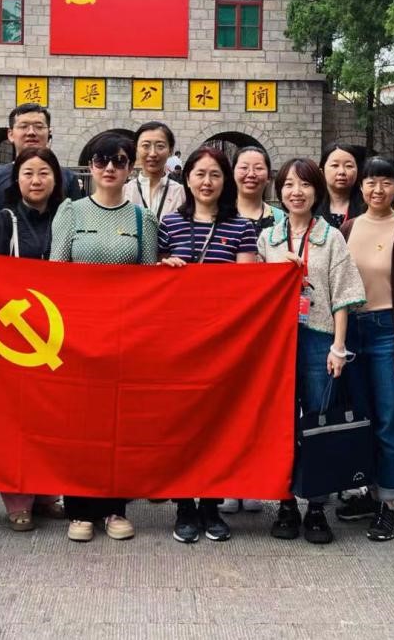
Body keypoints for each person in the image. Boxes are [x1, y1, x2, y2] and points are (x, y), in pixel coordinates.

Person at [51, 133, 158, 542]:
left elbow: (148, 283)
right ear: (90, 167)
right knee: (78, 424)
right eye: (101, 160)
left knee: (119, 423)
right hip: (78, 335)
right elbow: (56, 273)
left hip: (123, 337)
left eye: (119, 161)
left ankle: (116, 507)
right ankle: (79, 508)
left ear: (130, 168)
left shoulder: (142, 220)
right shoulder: (71, 212)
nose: (110, 168)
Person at [257, 158, 366, 545]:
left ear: (317, 190)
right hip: (278, 342)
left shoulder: (331, 237)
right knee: (282, 422)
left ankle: (317, 506)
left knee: (318, 421)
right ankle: (285, 502)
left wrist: (339, 347)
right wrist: (275, 272)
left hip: (319, 339)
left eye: (304, 184)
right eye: (288, 184)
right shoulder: (267, 239)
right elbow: (254, 292)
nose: (296, 192)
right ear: (279, 192)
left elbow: (344, 296)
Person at [158, 146, 258, 544]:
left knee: (219, 425)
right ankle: (184, 506)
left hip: (223, 344)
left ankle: (211, 505)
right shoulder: (169, 224)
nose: (207, 182)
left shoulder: (241, 227)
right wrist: (164, 268)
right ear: (187, 179)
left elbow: (247, 286)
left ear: (225, 181)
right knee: (181, 424)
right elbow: (153, 284)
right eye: (200, 174)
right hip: (178, 343)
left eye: (215, 174)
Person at [337, 157, 394, 540]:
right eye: (371, 182)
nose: (378, 190)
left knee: (391, 419)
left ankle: (387, 503)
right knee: (361, 417)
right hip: (351, 331)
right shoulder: (347, 228)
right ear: (361, 187)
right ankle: (365, 491)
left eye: (386, 182)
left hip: (387, 332)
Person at [0, 147, 68, 532]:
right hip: (17, 336)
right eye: (28, 172)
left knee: (52, 416)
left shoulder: (67, 217)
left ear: (56, 178)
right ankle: (17, 497)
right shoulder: (4, 221)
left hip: (60, 333)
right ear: (16, 179)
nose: (36, 180)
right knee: (16, 420)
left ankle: (47, 492)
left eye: (44, 172)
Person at [219, 144, 285, 515]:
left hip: (270, 327)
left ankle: (254, 480)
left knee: (261, 406)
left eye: (258, 167)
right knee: (230, 406)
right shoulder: (221, 215)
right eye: (244, 167)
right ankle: (229, 481)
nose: (251, 174)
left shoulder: (281, 217)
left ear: (269, 175)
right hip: (230, 325)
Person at [0, 104, 84, 235]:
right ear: (11, 134)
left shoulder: (68, 177)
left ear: (49, 133)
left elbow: (77, 228)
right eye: (23, 126)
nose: (31, 132)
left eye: (39, 127)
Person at [125, 121, 186, 222]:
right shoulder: (124, 192)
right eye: (146, 146)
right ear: (136, 149)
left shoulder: (182, 194)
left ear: (170, 151)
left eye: (160, 146)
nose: (153, 153)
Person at [318, 142, 365, 227]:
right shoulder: (312, 206)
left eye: (349, 166)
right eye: (335, 165)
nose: (342, 172)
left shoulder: (367, 206)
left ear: (358, 171)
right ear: (322, 171)